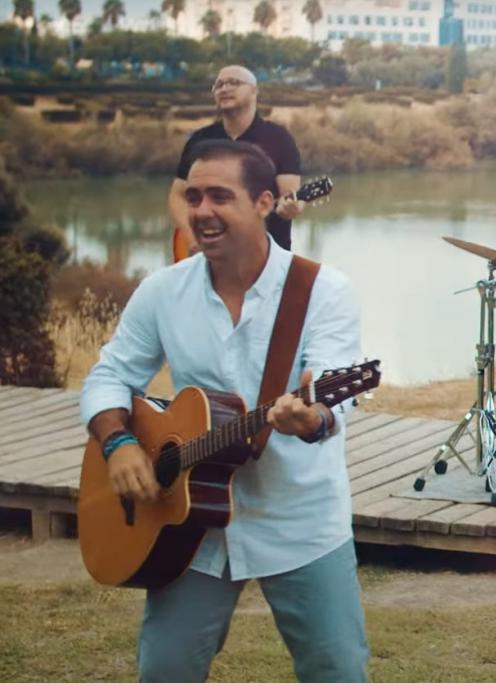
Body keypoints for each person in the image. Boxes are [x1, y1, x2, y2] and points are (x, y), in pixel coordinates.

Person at [81, 140, 369, 680]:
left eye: (219, 196)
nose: (202, 211)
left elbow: (335, 398)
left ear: (265, 202)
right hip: (190, 524)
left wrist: (314, 417)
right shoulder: (162, 291)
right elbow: (109, 376)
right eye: (193, 196)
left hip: (299, 515)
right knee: (164, 670)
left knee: (337, 669)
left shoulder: (322, 291)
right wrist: (118, 444)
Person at [169, 65, 303, 259]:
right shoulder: (201, 140)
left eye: (234, 83)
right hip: (208, 258)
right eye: (219, 85)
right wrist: (192, 239)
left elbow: (290, 198)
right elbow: (177, 195)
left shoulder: (279, 139)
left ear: (254, 91)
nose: (224, 89)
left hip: (265, 260)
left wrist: (290, 208)